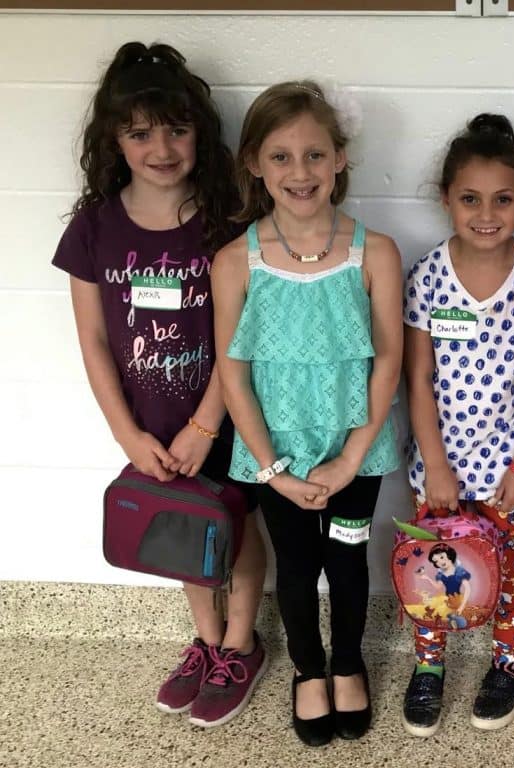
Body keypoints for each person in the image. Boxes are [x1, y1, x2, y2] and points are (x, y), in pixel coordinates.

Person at [52, 41, 267, 728]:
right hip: (149, 424)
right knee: (180, 527)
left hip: (225, 414)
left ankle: (241, 645)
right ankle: (206, 641)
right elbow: (92, 339)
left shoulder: (227, 219)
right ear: (114, 140)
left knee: (237, 526)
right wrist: (128, 434)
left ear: (199, 132)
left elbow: (244, 333)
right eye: (140, 133)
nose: (161, 148)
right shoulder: (94, 227)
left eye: (176, 129)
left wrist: (207, 424)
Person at [211, 80, 402, 747]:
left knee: (347, 559)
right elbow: (233, 374)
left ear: (340, 158)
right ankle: (307, 669)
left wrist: (350, 458)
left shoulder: (375, 253)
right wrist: (274, 470)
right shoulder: (235, 261)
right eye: (281, 156)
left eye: (315, 154)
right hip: (277, 457)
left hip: (357, 449)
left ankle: (347, 663)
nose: (300, 171)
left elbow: (388, 359)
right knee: (294, 566)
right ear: (255, 164)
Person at [401, 113, 514, 736]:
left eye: (503, 199)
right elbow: (418, 380)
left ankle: (506, 663)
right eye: (470, 199)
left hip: (506, 467)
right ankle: (429, 666)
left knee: (507, 571)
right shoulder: (429, 275)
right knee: (432, 569)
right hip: (438, 470)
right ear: (446, 199)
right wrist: (435, 465)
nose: (487, 214)